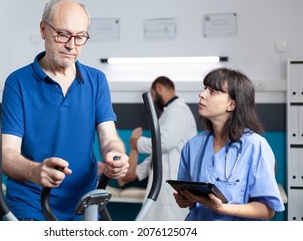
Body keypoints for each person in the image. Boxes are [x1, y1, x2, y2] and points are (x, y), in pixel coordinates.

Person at [0, 0, 129, 221]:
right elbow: (6, 154)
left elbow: (109, 137)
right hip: (32, 204)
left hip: (83, 204)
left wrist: (115, 155)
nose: (71, 45)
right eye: (63, 34)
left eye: (80, 37)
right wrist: (35, 171)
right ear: (43, 30)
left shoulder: (96, 81)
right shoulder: (17, 83)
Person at [174, 67, 285, 221]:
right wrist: (185, 199)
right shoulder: (193, 146)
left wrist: (221, 208)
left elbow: (267, 210)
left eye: (212, 91)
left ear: (232, 105)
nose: (202, 94)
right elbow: (187, 198)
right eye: (204, 88)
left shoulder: (255, 146)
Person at [119, 76, 198, 220]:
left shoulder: (178, 110)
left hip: (171, 182)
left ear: (159, 88)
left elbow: (164, 142)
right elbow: (157, 154)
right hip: (162, 182)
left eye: (153, 95)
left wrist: (137, 142)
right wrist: (138, 172)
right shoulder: (168, 113)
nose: (153, 101)